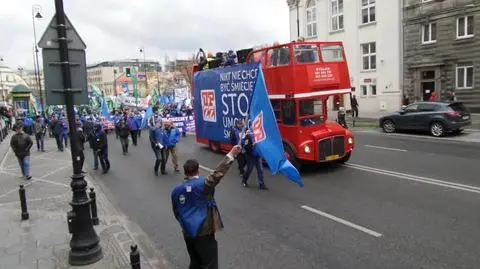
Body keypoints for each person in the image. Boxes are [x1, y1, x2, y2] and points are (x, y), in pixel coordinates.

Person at [171, 145, 242, 269]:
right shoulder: (203, 185)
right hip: (204, 231)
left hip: (187, 232)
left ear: (185, 172)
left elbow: (176, 212)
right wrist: (231, 154)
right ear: (198, 171)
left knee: (195, 261)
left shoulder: (176, 191)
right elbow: (218, 173)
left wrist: (186, 223)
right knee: (209, 263)